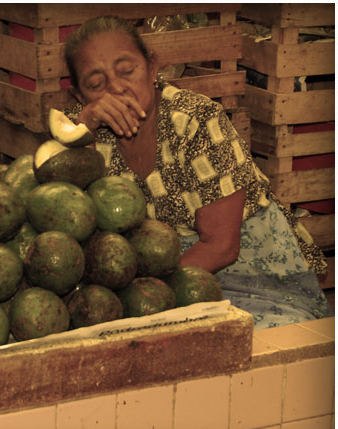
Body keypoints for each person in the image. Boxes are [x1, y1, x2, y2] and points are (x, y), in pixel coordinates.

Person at [62, 15, 332, 329]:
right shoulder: (84, 134)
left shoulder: (196, 120)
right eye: (96, 84)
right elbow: (62, 214)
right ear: (82, 96)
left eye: (127, 71)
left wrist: (139, 294)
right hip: (153, 277)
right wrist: (85, 127)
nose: (117, 88)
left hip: (246, 270)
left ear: (151, 68)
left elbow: (221, 246)